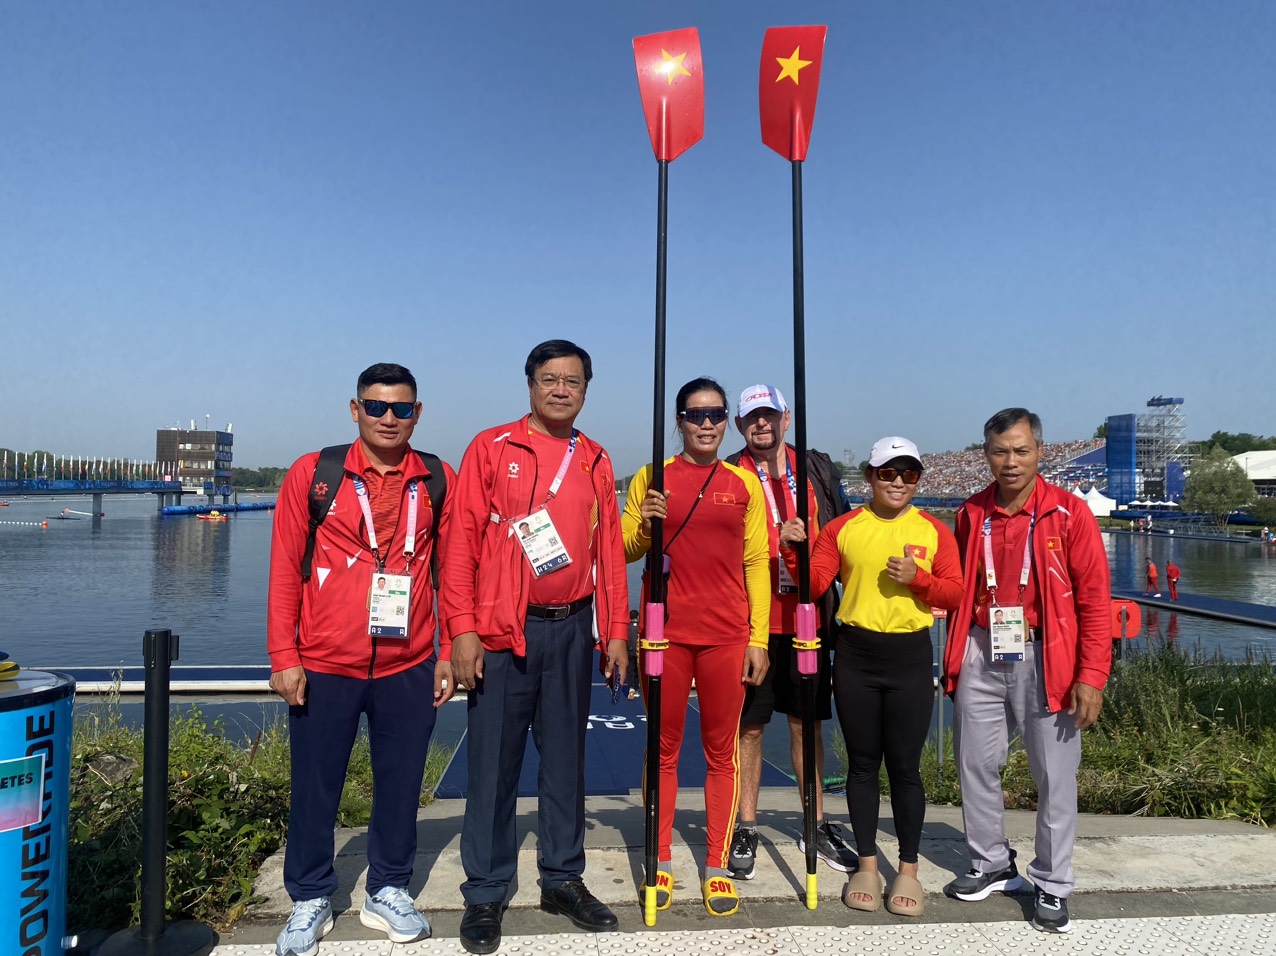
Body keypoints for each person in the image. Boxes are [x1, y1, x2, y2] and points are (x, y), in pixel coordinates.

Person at [440, 340, 629, 955]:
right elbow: (460, 544)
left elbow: (608, 555)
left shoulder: (596, 457)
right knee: (493, 762)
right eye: (549, 378)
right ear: (529, 384)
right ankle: (487, 890)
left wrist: (616, 631)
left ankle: (562, 878)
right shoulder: (492, 448)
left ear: (585, 390)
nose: (560, 389)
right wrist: (461, 631)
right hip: (503, 631)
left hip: (572, 626)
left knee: (566, 758)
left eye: (572, 381)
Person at [267, 363, 456, 955]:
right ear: (355, 410)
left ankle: (388, 888)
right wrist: (283, 653)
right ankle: (310, 895)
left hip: (410, 661)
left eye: (401, 408)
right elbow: (282, 569)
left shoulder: (436, 478)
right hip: (325, 661)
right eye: (376, 407)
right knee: (315, 784)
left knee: (400, 783)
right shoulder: (315, 473)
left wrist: (448, 651)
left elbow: (451, 574)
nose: (388, 418)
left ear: (417, 413)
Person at [942, 408, 1112, 934]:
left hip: (1047, 655)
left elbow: (1095, 600)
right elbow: (960, 584)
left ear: (1041, 451)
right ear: (985, 454)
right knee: (975, 763)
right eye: (999, 451)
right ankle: (991, 862)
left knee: (1054, 775)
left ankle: (1053, 882)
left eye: (1020, 450)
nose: (1010, 461)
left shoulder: (1068, 513)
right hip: (982, 647)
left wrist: (1093, 674)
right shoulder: (972, 512)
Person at [781, 436, 962, 917]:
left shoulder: (935, 531)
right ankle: (866, 863)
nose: (898, 482)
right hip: (857, 654)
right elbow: (813, 585)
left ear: (918, 479)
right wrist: (792, 549)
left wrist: (919, 579)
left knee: (904, 768)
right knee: (862, 765)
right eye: (888, 472)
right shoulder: (842, 528)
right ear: (870, 475)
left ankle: (906, 869)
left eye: (909, 474)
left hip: (908, 655)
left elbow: (957, 592)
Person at [623, 377, 771, 917]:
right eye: (694, 414)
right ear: (680, 420)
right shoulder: (652, 477)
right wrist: (645, 522)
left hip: (727, 636)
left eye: (714, 415)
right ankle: (659, 858)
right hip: (664, 634)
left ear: (725, 420)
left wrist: (758, 637)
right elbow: (622, 546)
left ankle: (715, 863)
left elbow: (757, 562)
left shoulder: (743, 485)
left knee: (720, 753)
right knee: (661, 749)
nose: (705, 424)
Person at [722, 383, 855, 879]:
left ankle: (814, 822)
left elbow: (843, 536)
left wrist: (810, 542)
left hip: (808, 617)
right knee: (750, 727)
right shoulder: (732, 472)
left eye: (769, 415)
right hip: (751, 622)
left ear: (786, 417)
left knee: (807, 724)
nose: (762, 424)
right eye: (751, 418)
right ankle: (747, 823)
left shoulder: (814, 468)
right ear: (740, 425)